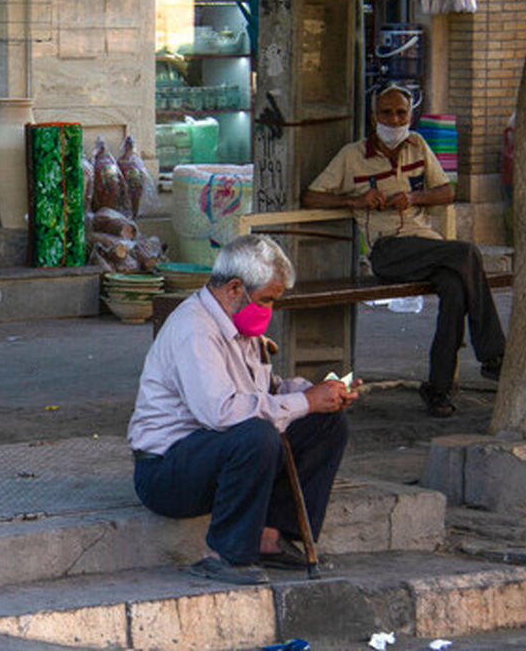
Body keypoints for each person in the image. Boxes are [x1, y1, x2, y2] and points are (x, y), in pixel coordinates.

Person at [127, 234, 355, 585]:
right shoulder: (195, 329)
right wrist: (305, 401)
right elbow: (223, 413)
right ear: (235, 288)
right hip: (166, 472)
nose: (268, 311)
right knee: (256, 434)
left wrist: (314, 394)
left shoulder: (237, 328)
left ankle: (271, 535)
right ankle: (223, 553)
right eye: (265, 300)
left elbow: (262, 391)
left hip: (213, 455)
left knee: (327, 423)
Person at [302, 83, 506, 417]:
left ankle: (438, 388)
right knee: (467, 254)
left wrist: (414, 197)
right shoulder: (353, 156)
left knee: (455, 288)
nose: (394, 120)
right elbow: (312, 196)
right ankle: (493, 355)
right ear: (374, 117)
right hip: (388, 250)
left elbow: (444, 191)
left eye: (400, 113)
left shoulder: (418, 145)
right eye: (387, 113)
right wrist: (356, 201)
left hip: (425, 243)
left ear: (410, 116)